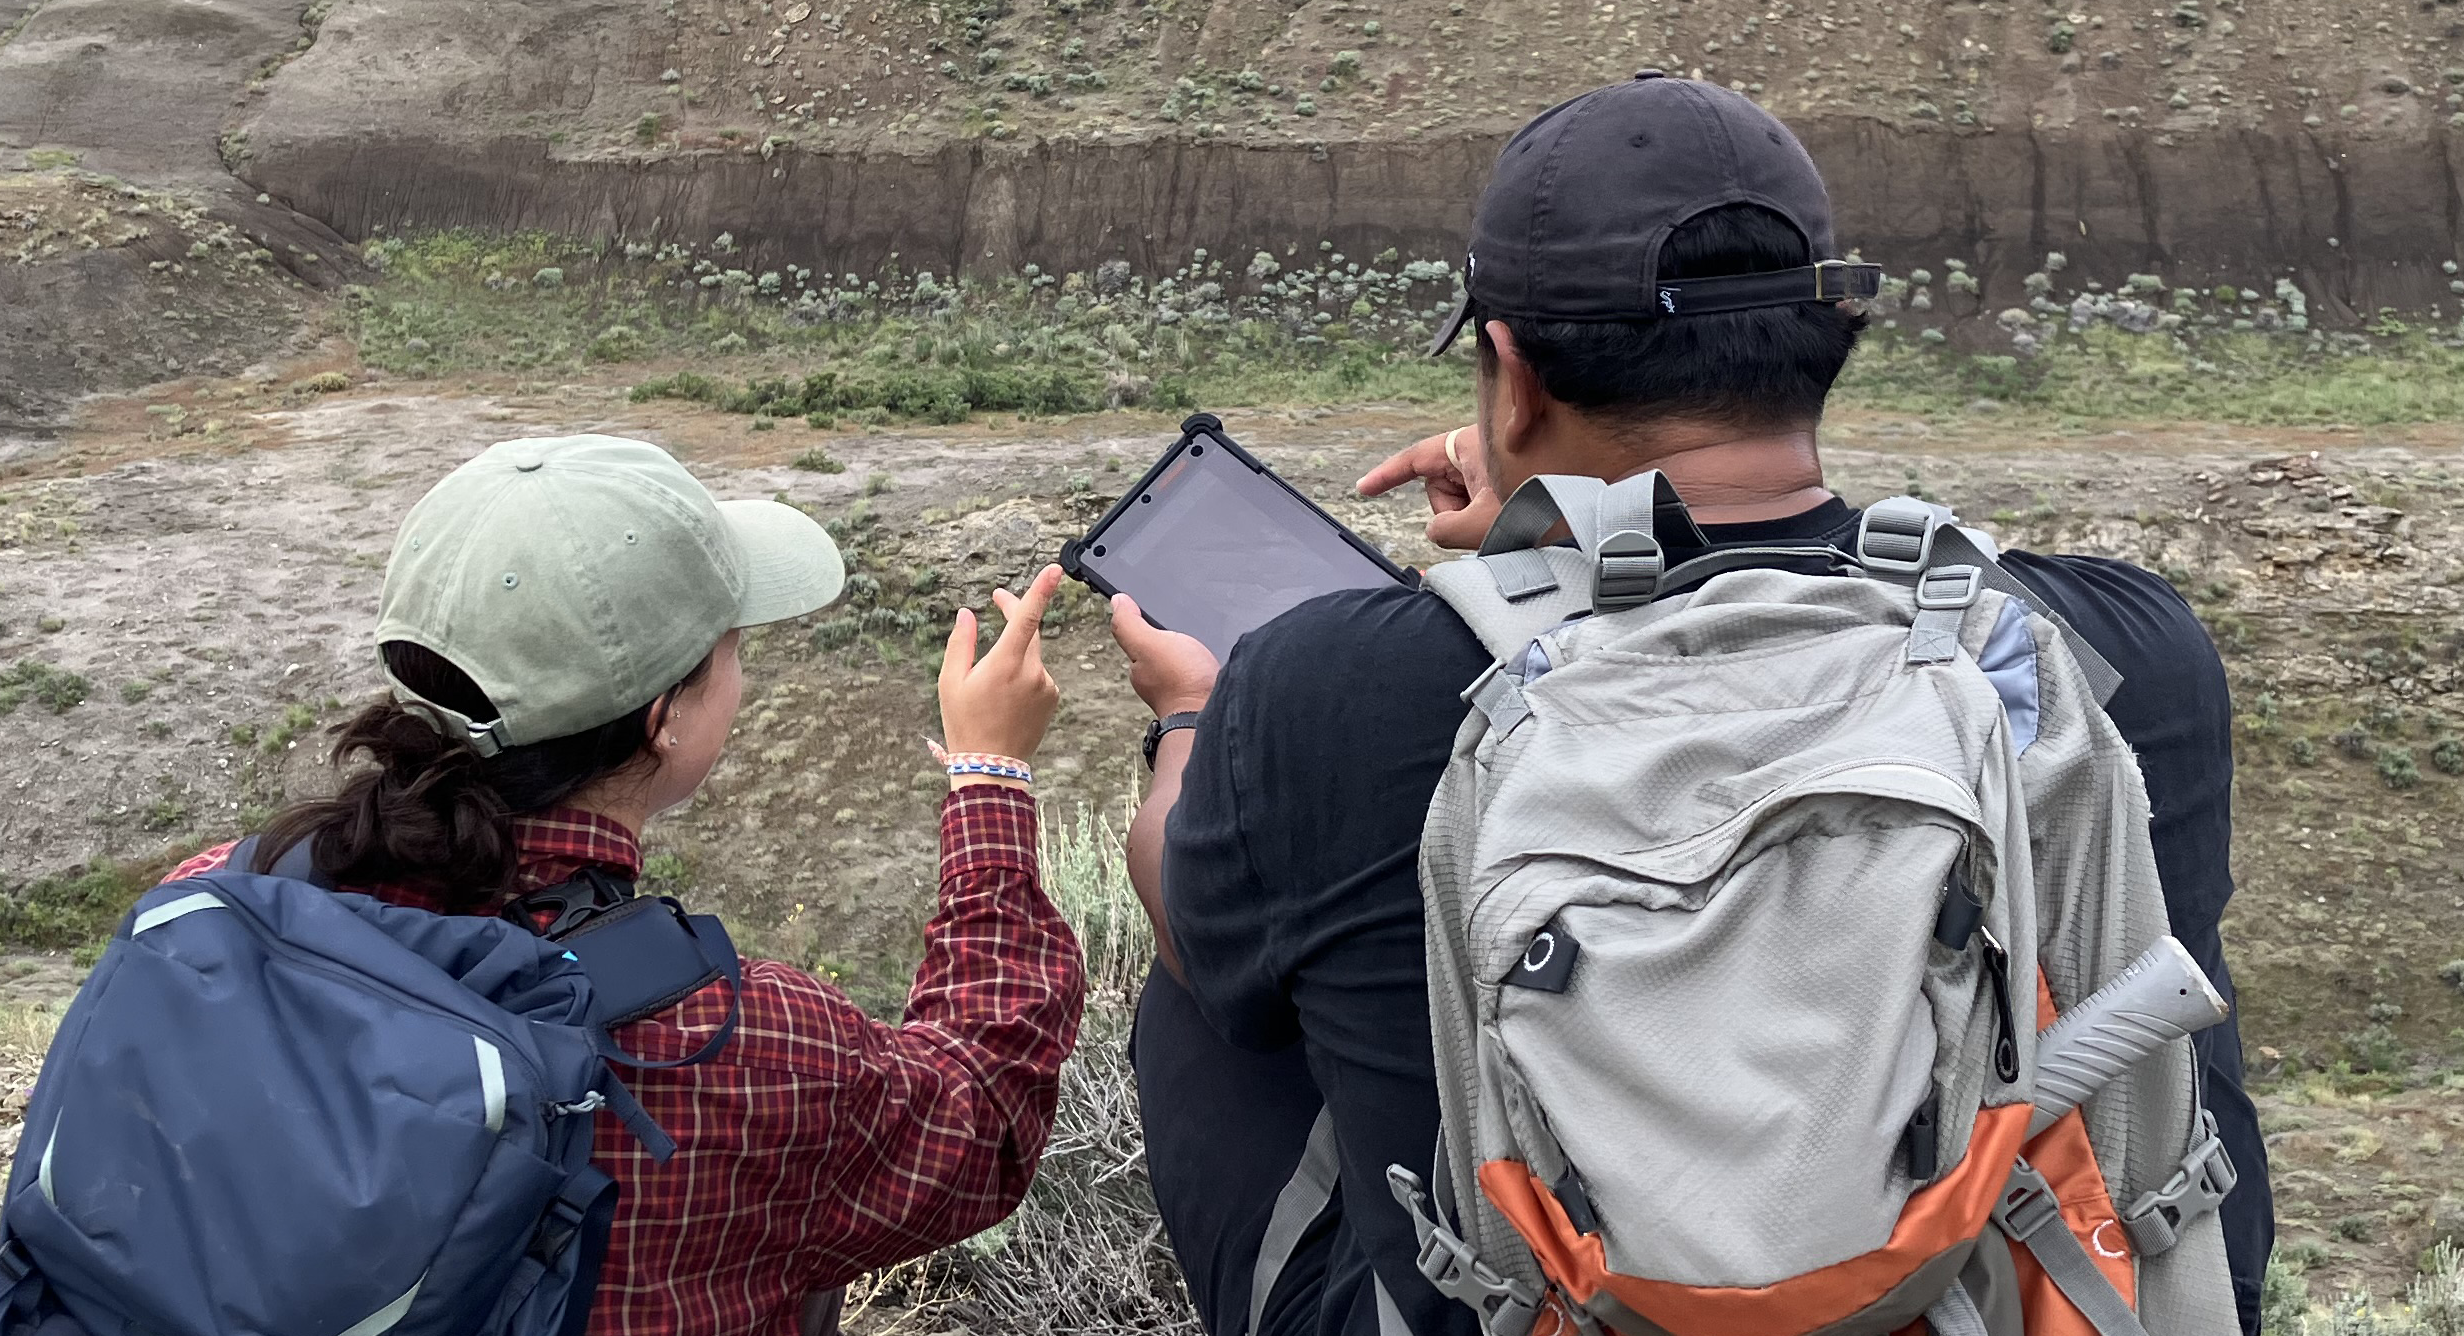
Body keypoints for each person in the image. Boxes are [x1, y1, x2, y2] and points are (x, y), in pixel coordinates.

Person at [1109, 72, 2274, 1336]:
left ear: (1510, 375)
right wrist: (1563, 531)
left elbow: (1196, 936)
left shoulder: (1328, 688)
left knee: (1206, 997)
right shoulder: (2115, 651)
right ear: (1834, 341)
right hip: (2030, 1295)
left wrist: (1192, 725)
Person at [165, 433, 1086, 1336]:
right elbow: (981, 1118)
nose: (741, 673)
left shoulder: (212, 903)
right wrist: (989, 774)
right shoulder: (730, 1045)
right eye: (731, 651)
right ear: (663, 720)